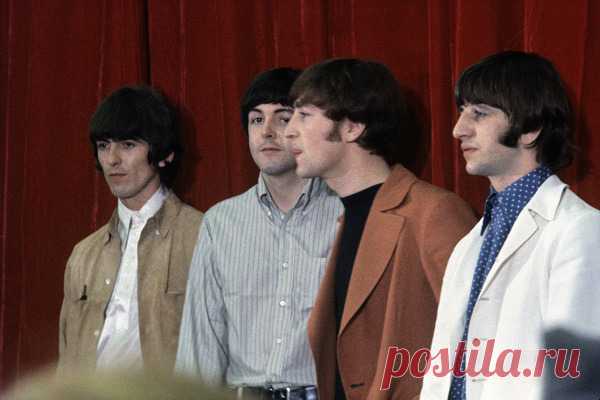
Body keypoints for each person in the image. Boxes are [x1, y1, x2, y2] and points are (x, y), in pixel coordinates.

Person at [283, 58, 476, 400]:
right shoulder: (347, 217)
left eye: (304, 114)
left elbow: (475, 342)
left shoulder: (432, 212)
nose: (288, 131)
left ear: (352, 127)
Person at [420, 51, 600, 400]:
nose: (459, 129)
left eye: (480, 113)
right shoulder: (471, 241)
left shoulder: (580, 230)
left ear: (531, 128)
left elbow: (576, 381)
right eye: (462, 112)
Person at [175, 68, 343, 399]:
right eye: (256, 120)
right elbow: (200, 345)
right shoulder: (221, 223)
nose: (266, 132)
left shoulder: (344, 213)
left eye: (282, 118)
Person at [58, 85, 203, 372]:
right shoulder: (83, 255)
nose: (112, 159)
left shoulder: (202, 236)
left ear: (165, 154)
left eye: (127, 145)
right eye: (103, 146)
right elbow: (66, 363)